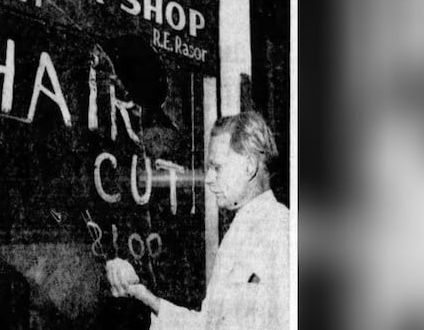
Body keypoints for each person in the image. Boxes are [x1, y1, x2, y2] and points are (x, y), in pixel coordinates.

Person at [106, 111, 290, 330]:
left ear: (249, 166)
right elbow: (208, 324)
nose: (209, 179)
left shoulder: (281, 231)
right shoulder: (240, 230)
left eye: (217, 168)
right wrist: (144, 295)